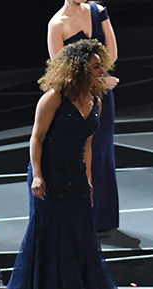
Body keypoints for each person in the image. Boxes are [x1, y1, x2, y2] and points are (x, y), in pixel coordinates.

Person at [0, 40, 124, 289]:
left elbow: (88, 144)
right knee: (51, 234)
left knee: (78, 234)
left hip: (75, 175)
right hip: (49, 173)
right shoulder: (55, 97)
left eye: (101, 65)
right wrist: (38, 175)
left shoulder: (97, 102)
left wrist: (89, 180)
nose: (100, 70)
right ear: (79, 69)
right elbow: (37, 138)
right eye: (95, 66)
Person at [48, 0, 119, 232]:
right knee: (78, 155)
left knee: (102, 152)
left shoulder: (98, 12)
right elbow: (62, 71)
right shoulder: (57, 24)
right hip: (76, 100)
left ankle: (103, 218)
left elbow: (112, 52)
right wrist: (97, 81)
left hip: (101, 96)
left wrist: (100, 80)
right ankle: (79, 217)